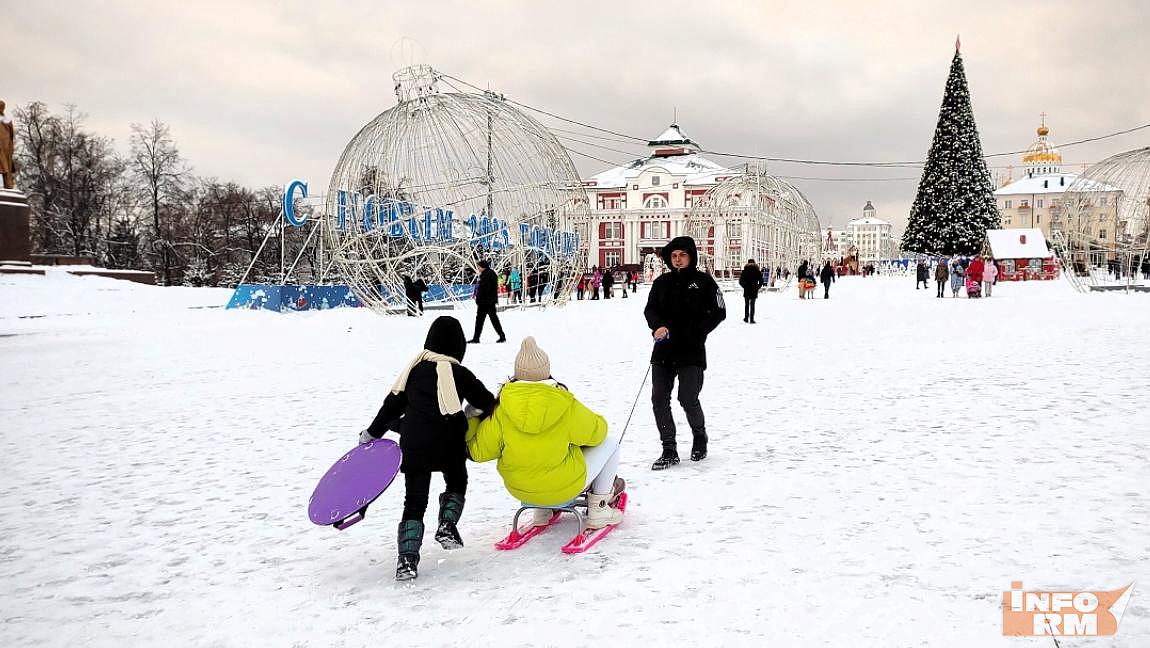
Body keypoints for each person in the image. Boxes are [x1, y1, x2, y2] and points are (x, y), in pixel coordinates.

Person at [359, 316, 497, 581]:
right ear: (459, 347)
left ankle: (407, 560)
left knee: (414, 501)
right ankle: (447, 524)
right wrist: (469, 413)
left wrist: (371, 433)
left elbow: (391, 406)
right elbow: (487, 401)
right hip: (449, 443)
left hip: (415, 445)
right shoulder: (459, 373)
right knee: (457, 481)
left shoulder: (413, 372)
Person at [466, 337, 625, 530]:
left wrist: (472, 419)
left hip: (520, 490)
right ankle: (598, 508)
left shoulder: (501, 408)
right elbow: (598, 434)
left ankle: (542, 510)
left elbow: (478, 452)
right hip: (563, 486)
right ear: (547, 371)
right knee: (611, 443)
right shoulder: (563, 403)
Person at [644, 236, 726, 469]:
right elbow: (650, 309)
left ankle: (700, 437)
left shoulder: (704, 282)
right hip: (663, 351)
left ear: (691, 256)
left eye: (682, 255)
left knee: (688, 399)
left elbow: (719, 311)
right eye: (674, 256)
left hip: (691, 352)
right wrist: (657, 325)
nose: (678, 260)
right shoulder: (661, 283)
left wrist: (699, 331)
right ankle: (669, 448)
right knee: (659, 399)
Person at [469, 259, 506, 343]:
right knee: (490, 319)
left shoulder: (486, 275)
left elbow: (484, 289)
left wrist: (479, 298)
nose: (478, 268)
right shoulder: (490, 273)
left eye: (479, 266)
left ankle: (476, 338)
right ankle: (501, 335)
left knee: (482, 320)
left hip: (485, 302)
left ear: (483, 267)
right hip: (488, 301)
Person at [738, 259, 763, 323]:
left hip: (747, 290)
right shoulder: (757, 271)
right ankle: (752, 319)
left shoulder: (744, 271)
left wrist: (745, 286)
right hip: (754, 290)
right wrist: (757, 287)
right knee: (752, 305)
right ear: (754, 263)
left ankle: (746, 318)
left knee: (746, 305)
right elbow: (761, 281)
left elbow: (740, 281)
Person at [0, 100, 14, 190]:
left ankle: (7, 185)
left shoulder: (7, 121)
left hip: (3, 147)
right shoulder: (8, 121)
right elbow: (12, 135)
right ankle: (8, 185)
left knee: (4, 166)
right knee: (6, 167)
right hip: (6, 147)